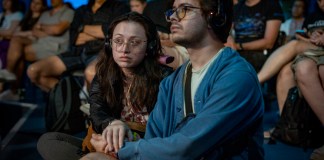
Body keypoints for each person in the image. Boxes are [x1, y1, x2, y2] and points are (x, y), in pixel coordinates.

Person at [82, 0, 264, 159]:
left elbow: (187, 147)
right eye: (172, 10)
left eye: (184, 9)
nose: (172, 17)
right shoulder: (172, 81)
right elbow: (154, 140)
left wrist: (120, 150)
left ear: (213, 16)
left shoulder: (236, 77)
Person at [37, 12, 173, 160]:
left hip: (143, 147)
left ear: (150, 46)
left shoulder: (165, 77)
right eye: (118, 41)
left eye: (134, 42)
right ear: (109, 44)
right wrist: (111, 123)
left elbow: (166, 133)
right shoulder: (104, 73)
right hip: (108, 140)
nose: (124, 49)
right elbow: (97, 110)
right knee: (48, 141)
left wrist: (123, 143)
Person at [26, 0, 129, 93]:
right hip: (77, 52)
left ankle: (93, 108)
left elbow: (114, 33)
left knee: (91, 73)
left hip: (101, 53)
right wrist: (100, 33)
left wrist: (82, 28)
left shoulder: (119, 7)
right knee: (34, 71)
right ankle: (71, 99)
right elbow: (74, 38)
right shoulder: (81, 10)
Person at [258, 0, 324, 111]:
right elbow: (302, 34)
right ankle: (286, 122)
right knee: (285, 71)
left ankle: (256, 80)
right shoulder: (312, 17)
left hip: (318, 48)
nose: (321, 2)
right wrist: (311, 37)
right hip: (310, 45)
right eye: (319, 0)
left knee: (294, 45)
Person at [0, 0, 47, 100]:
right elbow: (17, 32)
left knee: (16, 43)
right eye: (33, 2)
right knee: (19, 56)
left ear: (43, 6)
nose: (34, 5)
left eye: (38, 3)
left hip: (35, 44)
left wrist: (24, 34)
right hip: (21, 46)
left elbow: (35, 35)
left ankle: (9, 73)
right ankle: (15, 89)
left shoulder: (44, 18)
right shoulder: (26, 17)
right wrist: (27, 33)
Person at [226, 0, 284, 72]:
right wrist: (229, 37)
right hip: (237, 52)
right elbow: (227, 30)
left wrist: (238, 46)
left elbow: (269, 43)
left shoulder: (272, 5)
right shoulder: (238, 6)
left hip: (261, 53)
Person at [0, 0, 24, 69]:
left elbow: (10, 32)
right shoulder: (1, 15)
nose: (5, 2)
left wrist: (3, 34)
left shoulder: (18, 15)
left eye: (8, 1)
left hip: (8, 41)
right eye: (4, 0)